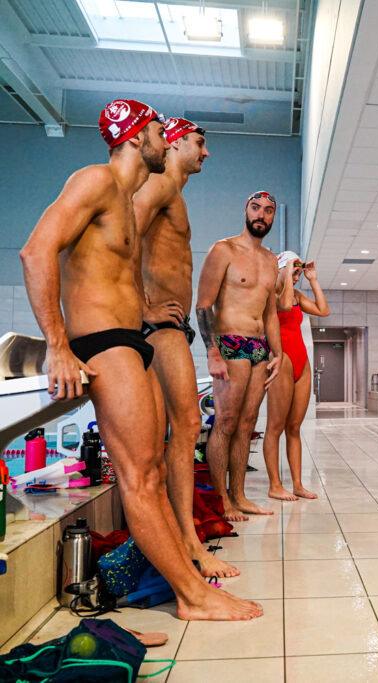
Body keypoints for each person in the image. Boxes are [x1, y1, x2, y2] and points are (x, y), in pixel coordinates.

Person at [20, 99, 260, 620]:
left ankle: (189, 579)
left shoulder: (125, 201)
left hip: (128, 337)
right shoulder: (96, 180)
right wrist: (57, 345)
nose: (164, 140)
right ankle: (192, 597)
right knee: (141, 477)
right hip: (101, 341)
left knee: (151, 467)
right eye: (157, 131)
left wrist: (146, 309)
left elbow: (117, 271)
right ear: (135, 137)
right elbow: (36, 251)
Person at [132, 117, 238, 579]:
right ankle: (190, 545)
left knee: (173, 434)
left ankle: (181, 539)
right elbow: (124, 234)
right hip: (159, 325)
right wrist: (144, 307)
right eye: (199, 143)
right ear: (174, 143)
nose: (205, 152)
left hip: (165, 325)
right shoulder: (160, 186)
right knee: (189, 423)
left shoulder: (173, 193)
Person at [195, 191, 283, 522]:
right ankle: (221, 500)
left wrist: (280, 352)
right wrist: (212, 352)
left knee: (247, 424)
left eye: (269, 210)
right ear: (245, 210)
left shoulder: (271, 261)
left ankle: (240, 495)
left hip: (259, 347)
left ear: (273, 217)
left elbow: (271, 312)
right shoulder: (224, 250)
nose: (262, 215)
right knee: (226, 422)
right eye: (256, 208)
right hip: (229, 342)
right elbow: (203, 304)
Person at [263, 252, 329, 501]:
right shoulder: (271, 292)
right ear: (280, 268)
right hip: (281, 359)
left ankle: (298, 484)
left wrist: (312, 279)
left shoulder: (298, 295)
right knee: (275, 426)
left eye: (298, 271)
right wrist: (286, 272)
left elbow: (323, 310)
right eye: (293, 269)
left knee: (294, 427)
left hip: (302, 361)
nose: (297, 274)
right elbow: (284, 305)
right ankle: (275, 485)